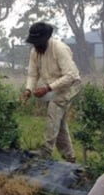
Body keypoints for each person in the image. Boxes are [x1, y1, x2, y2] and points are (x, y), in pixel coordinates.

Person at [21, 22, 81, 163]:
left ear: (46, 39)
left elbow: (70, 76)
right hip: (55, 86)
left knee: (53, 111)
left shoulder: (59, 49)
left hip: (70, 85)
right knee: (58, 123)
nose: (36, 46)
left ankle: (46, 150)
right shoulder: (35, 52)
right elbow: (32, 74)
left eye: (39, 43)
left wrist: (47, 88)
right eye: (34, 43)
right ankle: (70, 158)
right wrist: (28, 89)